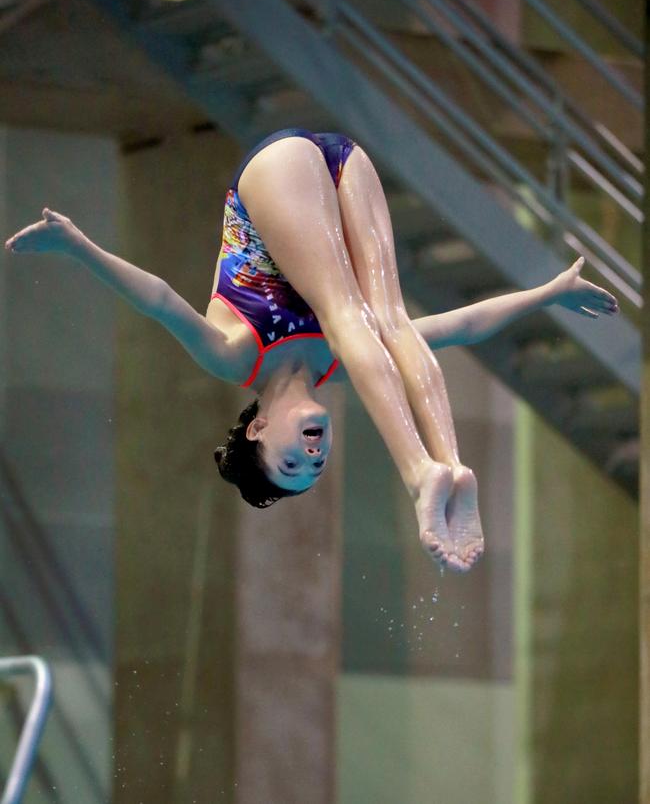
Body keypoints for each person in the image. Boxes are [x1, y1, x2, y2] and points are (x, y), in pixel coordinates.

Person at [4, 128, 618, 572]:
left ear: (258, 428)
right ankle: (450, 469)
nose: (312, 460)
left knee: (352, 315)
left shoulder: (233, 357)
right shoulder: (340, 363)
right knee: (393, 323)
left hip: (273, 174)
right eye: (314, 470)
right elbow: (459, 327)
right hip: (346, 164)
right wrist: (545, 294)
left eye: (291, 463)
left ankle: (419, 475)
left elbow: (160, 301)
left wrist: (80, 248)